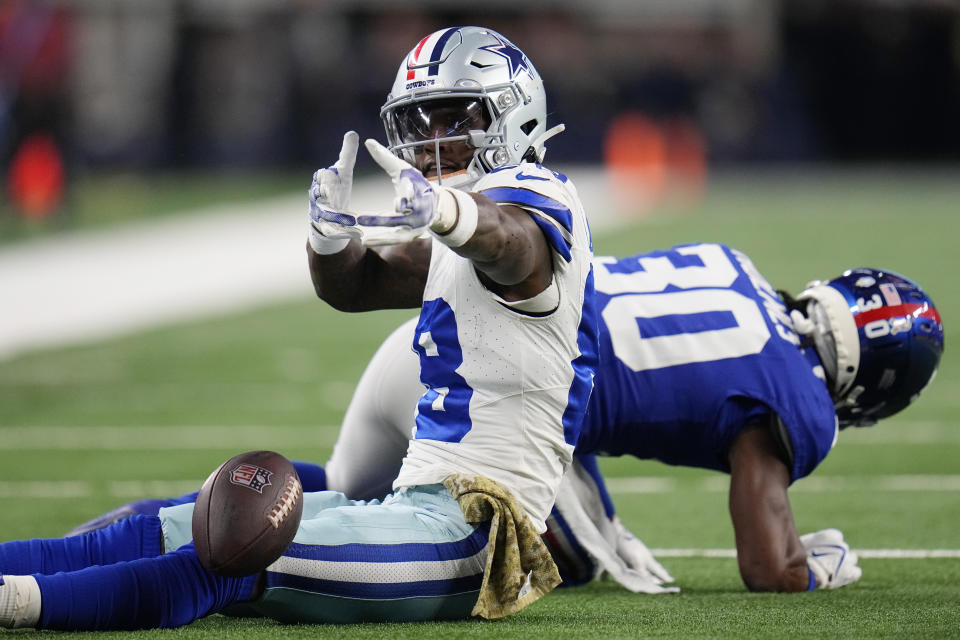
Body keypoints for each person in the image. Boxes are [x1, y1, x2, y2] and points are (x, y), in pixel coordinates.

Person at [0, 26, 599, 630]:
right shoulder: (458, 239)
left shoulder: (540, 197)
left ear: (514, 113)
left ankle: (16, 604)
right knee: (158, 529)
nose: (429, 144)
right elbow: (355, 286)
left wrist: (448, 212)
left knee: (226, 556)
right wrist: (329, 238)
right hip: (408, 508)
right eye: (418, 125)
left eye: (450, 119)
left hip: (476, 540)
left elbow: (510, 244)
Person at [63, 244, 945, 594]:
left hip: (431, 350)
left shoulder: (736, 266)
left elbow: (598, 377)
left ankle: (137, 531)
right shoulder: (796, 399)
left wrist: (596, 503)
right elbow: (767, 565)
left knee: (328, 496)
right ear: (875, 380)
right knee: (552, 558)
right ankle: (173, 564)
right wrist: (812, 568)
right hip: (496, 399)